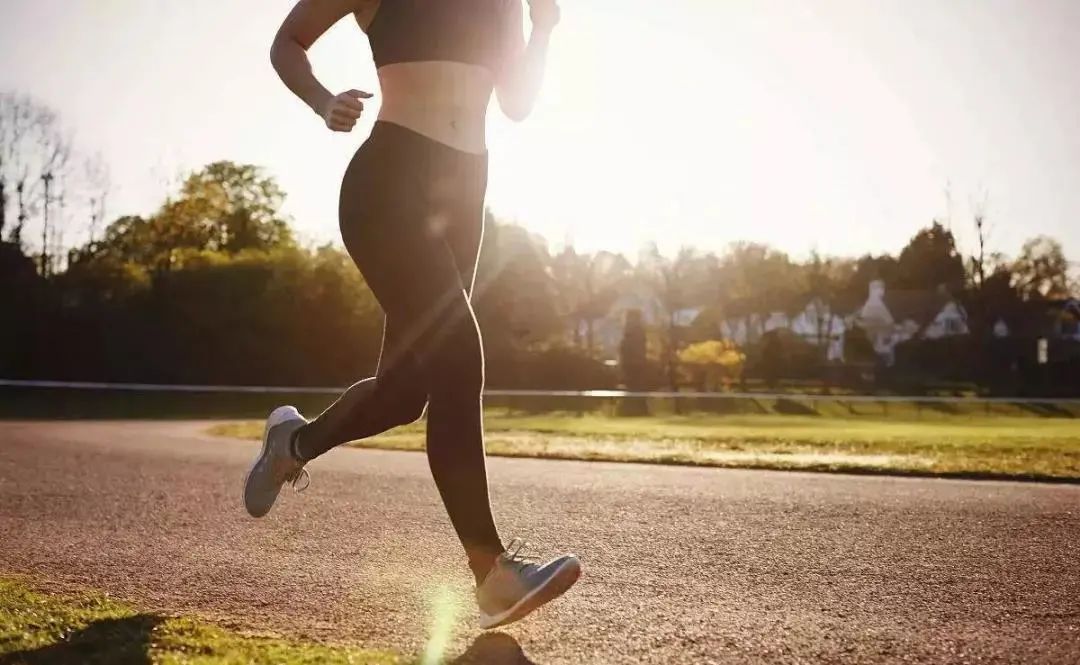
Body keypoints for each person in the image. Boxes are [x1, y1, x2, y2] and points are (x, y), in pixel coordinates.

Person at [243, 0, 580, 629]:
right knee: (458, 359)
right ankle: (493, 575)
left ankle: (294, 442)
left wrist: (545, 29)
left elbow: (516, 103)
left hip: (463, 192)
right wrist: (321, 102)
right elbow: (288, 40)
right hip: (389, 181)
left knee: (404, 394)